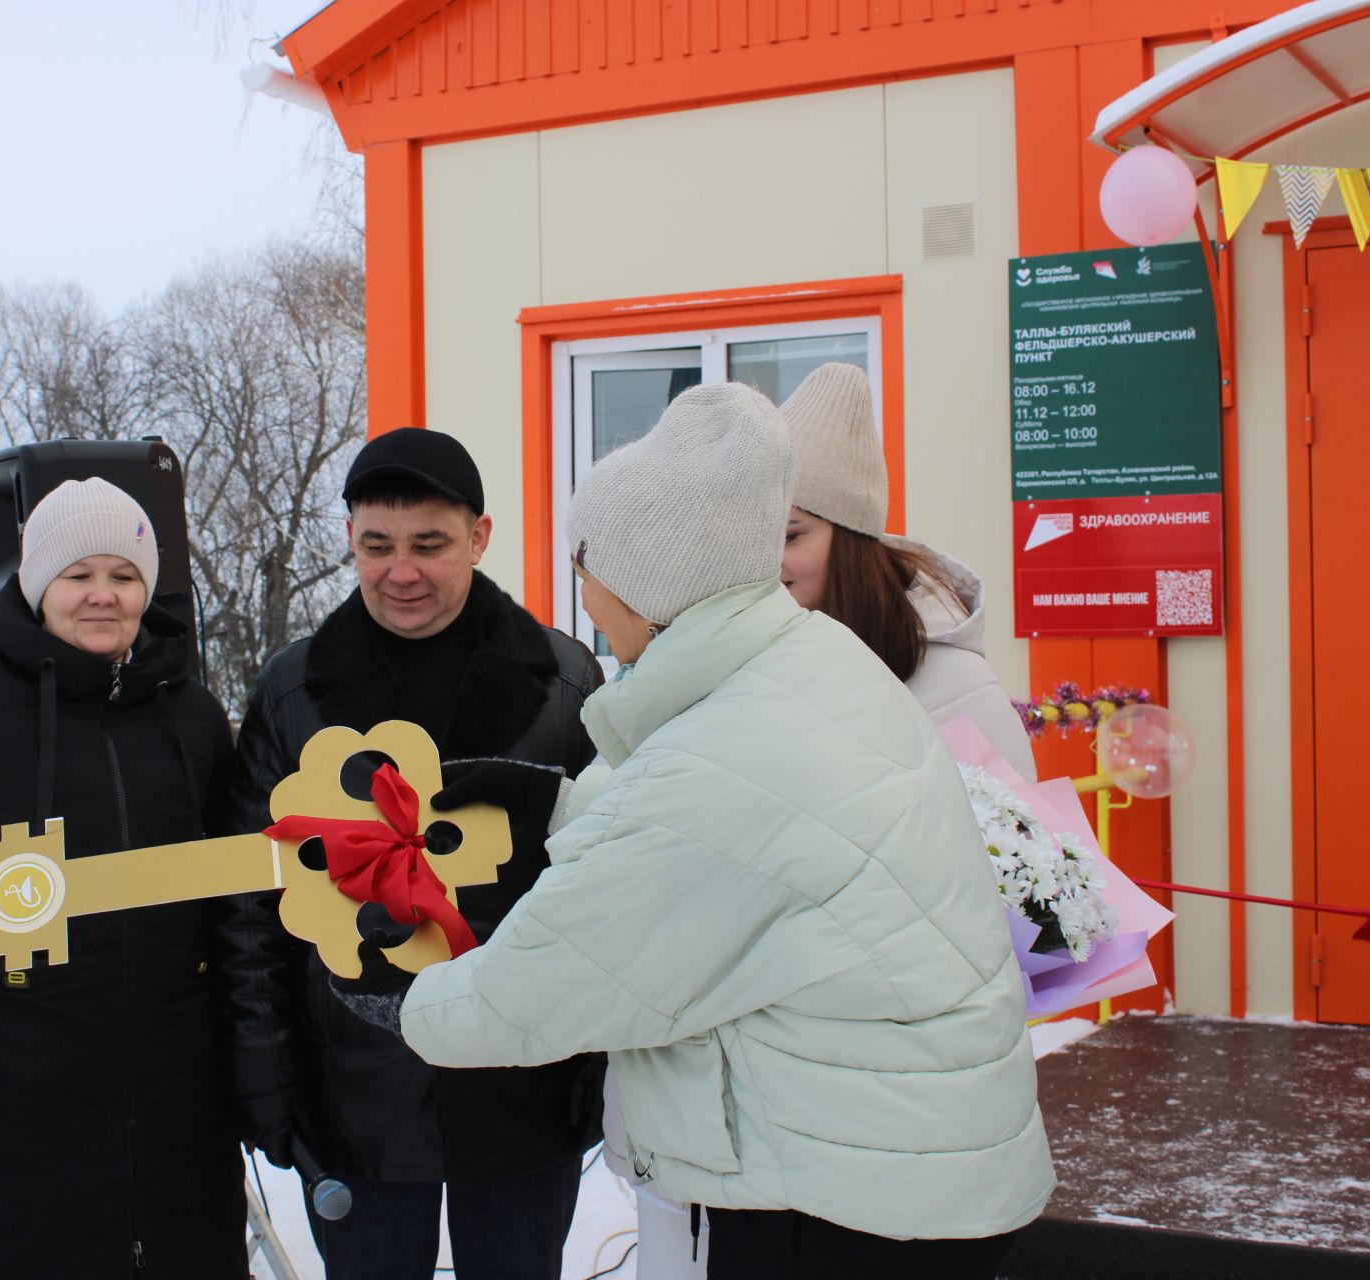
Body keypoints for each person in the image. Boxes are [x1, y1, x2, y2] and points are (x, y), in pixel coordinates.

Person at [400, 383, 1054, 1279]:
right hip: (905, 1161)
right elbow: (721, 830)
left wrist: (394, 999)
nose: (586, 606)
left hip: (850, 1205)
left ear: (652, 584)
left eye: (590, 576)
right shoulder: (810, 663)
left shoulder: (727, 756)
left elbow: (542, 987)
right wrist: (547, 806)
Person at [216, 427, 604, 1280]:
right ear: (350, 539)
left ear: (479, 536)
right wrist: (267, 1075)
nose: (402, 572)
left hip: (523, 1080)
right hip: (354, 1091)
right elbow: (249, 910)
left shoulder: (564, 683)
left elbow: (611, 888)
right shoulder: (293, 691)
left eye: (429, 545)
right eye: (376, 546)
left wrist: (597, 1069)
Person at [0, 477, 246, 1278]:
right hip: (14, 1111)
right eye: (79, 576)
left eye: (124, 576)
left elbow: (233, 900)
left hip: (177, 1115)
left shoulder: (194, 718)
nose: (102, 596)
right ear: (38, 585)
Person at [777, 361, 1037, 779]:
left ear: (849, 541)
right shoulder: (763, 651)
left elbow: (1011, 834)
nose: (766, 561)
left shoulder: (954, 685)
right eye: (753, 536)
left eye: (789, 537)